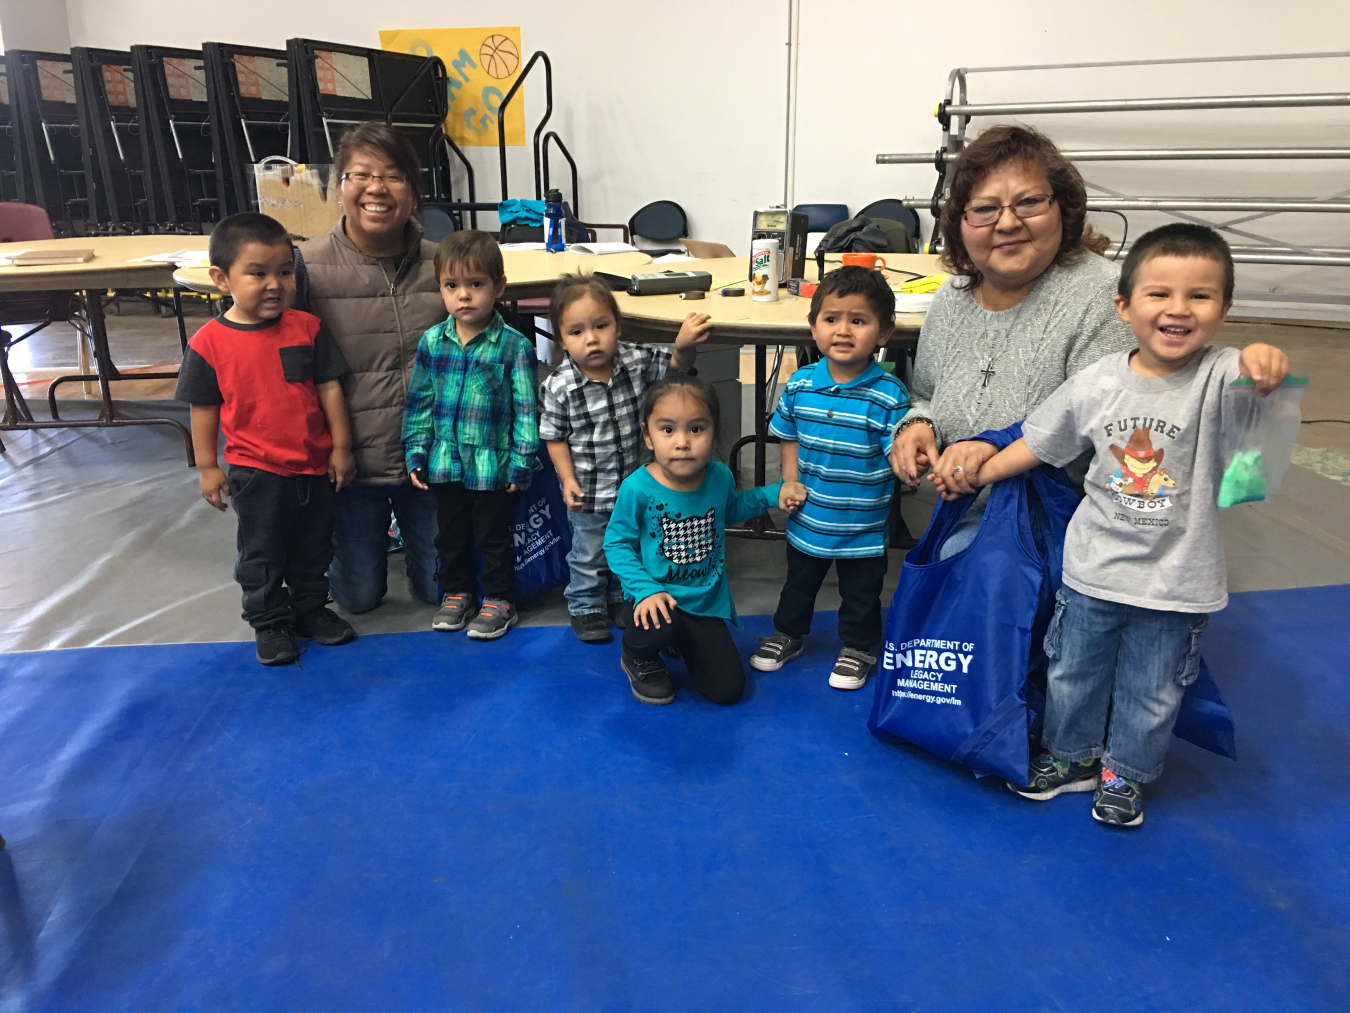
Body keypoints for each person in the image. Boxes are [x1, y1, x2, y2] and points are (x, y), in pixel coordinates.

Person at [958, 224, 1289, 828]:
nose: (1178, 310)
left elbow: (1253, 379)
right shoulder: (1099, 381)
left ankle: (1126, 775)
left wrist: (1262, 361)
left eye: (1200, 296)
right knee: (1072, 671)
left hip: (1176, 580)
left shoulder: (1219, 375)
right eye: (1159, 294)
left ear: (1224, 307)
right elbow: (1041, 442)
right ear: (1124, 306)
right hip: (1093, 568)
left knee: (1152, 688)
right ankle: (1070, 758)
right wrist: (981, 473)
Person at [887, 125, 1137, 555]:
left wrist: (993, 450)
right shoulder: (952, 297)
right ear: (961, 222)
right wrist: (915, 426)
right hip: (967, 514)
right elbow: (925, 395)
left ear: (1063, 207)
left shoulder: (1104, 295)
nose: (1006, 222)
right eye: (984, 208)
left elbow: (1110, 440)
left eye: (1028, 202)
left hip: (1065, 526)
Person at [176, 213, 357, 665]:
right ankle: (269, 621)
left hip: (314, 467)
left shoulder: (307, 328)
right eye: (257, 273)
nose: (274, 283)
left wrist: (340, 447)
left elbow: (329, 388)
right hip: (256, 473)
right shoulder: (208, 343)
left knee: (315, 546)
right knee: (262, 551)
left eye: (283, 271)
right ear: (222, 279)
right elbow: (203, 408)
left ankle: (311, 609)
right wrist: (207, 466)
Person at [293, 122, 447, 615]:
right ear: (338, 187)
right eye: (361, 174)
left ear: (415, 191)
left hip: (432, 463)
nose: (377, 188)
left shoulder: (445, 267)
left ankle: (413, 539)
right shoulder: (303, 269)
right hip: (352, 466)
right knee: (357, 599)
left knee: (441, 591)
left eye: (394, 176)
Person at [749, 267, 910, 690]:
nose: (843, 330)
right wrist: (787, 481)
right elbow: (787, 435)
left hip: (864, 525)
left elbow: (900, 448)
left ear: (883, 332)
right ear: (813, 327)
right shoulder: (801, 384)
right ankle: (788, 634)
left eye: (858, 320)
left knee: (861, 594)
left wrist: (909, 464)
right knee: (798, 586)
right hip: (809, 518)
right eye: (831, 319)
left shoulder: (889, 393)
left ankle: (858, 648)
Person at [603, 374, 808, 706]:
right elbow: (616, 544)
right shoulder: (637, 488)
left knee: (726, 690)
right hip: (655, 599)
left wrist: (774, 493)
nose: (682, 442)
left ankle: (680, 641)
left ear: (713, 433)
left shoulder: (719, 476)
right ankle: (637, 654)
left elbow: (731, 509)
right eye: (668, 429)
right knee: (659, 625)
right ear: (648, 435)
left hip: (702, 605)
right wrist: (645, 590)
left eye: (696, 429)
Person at [538, 273, 713, 644]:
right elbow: (554, 438)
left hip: (637, 490)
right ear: (561, 339)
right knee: (590, 554)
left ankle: (621, 597)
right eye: (576, 331)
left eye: (601, 325)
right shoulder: (559, 386)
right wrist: (567, 480)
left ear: (618, 325)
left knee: (631, 546)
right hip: (590, 493)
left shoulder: (636, 360)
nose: (592, 338)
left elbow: (676, 368)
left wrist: (683, 345)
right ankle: (585, 606)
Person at [402, 230, 539, 640]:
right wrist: (416, 450)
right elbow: (420, 401)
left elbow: (526, 410)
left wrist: (522, 460)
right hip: (445, 462)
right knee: (450, 534)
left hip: (491, 465)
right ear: (440, 289)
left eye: (476, 284)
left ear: (499, 287)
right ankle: (456, 592)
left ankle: (499, 599)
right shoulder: (433, 341)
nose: (464, 296)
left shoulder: (514, 347)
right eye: (452, 286)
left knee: (493, 536)